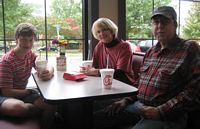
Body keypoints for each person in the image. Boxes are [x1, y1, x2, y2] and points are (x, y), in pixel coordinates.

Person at [94, 6, 200, 129]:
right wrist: (126, 100)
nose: (159, 26)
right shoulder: (151, 52)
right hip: (138, 106)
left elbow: (194, 91)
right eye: (156, 22)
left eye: (164, 22)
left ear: (175, 25)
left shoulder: (189, 48)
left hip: (168, 115)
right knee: (93, 118)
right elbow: (139, 82)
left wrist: (160, 111)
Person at [0, 23, 55, 129]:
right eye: (24, 39)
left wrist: (48, 71)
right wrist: (30, 91)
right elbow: (6, 91)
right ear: (17, 39)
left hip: (22, 93)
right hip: (4, 95)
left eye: (31, 40)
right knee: (17, 108)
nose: (28, 44)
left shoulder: (30, 55)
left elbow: (47, 64)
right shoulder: (7, 61)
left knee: (50, 104)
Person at [80, 18, 135, 86]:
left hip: (123, 84)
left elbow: (120, 73)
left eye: (104, 30)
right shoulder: (99, 45)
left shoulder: (124, 47)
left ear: (111, 30)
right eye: (98, 32)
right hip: (105, 83)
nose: (102, 34)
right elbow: (95, 67)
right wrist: (87, 70)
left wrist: (97, 72)